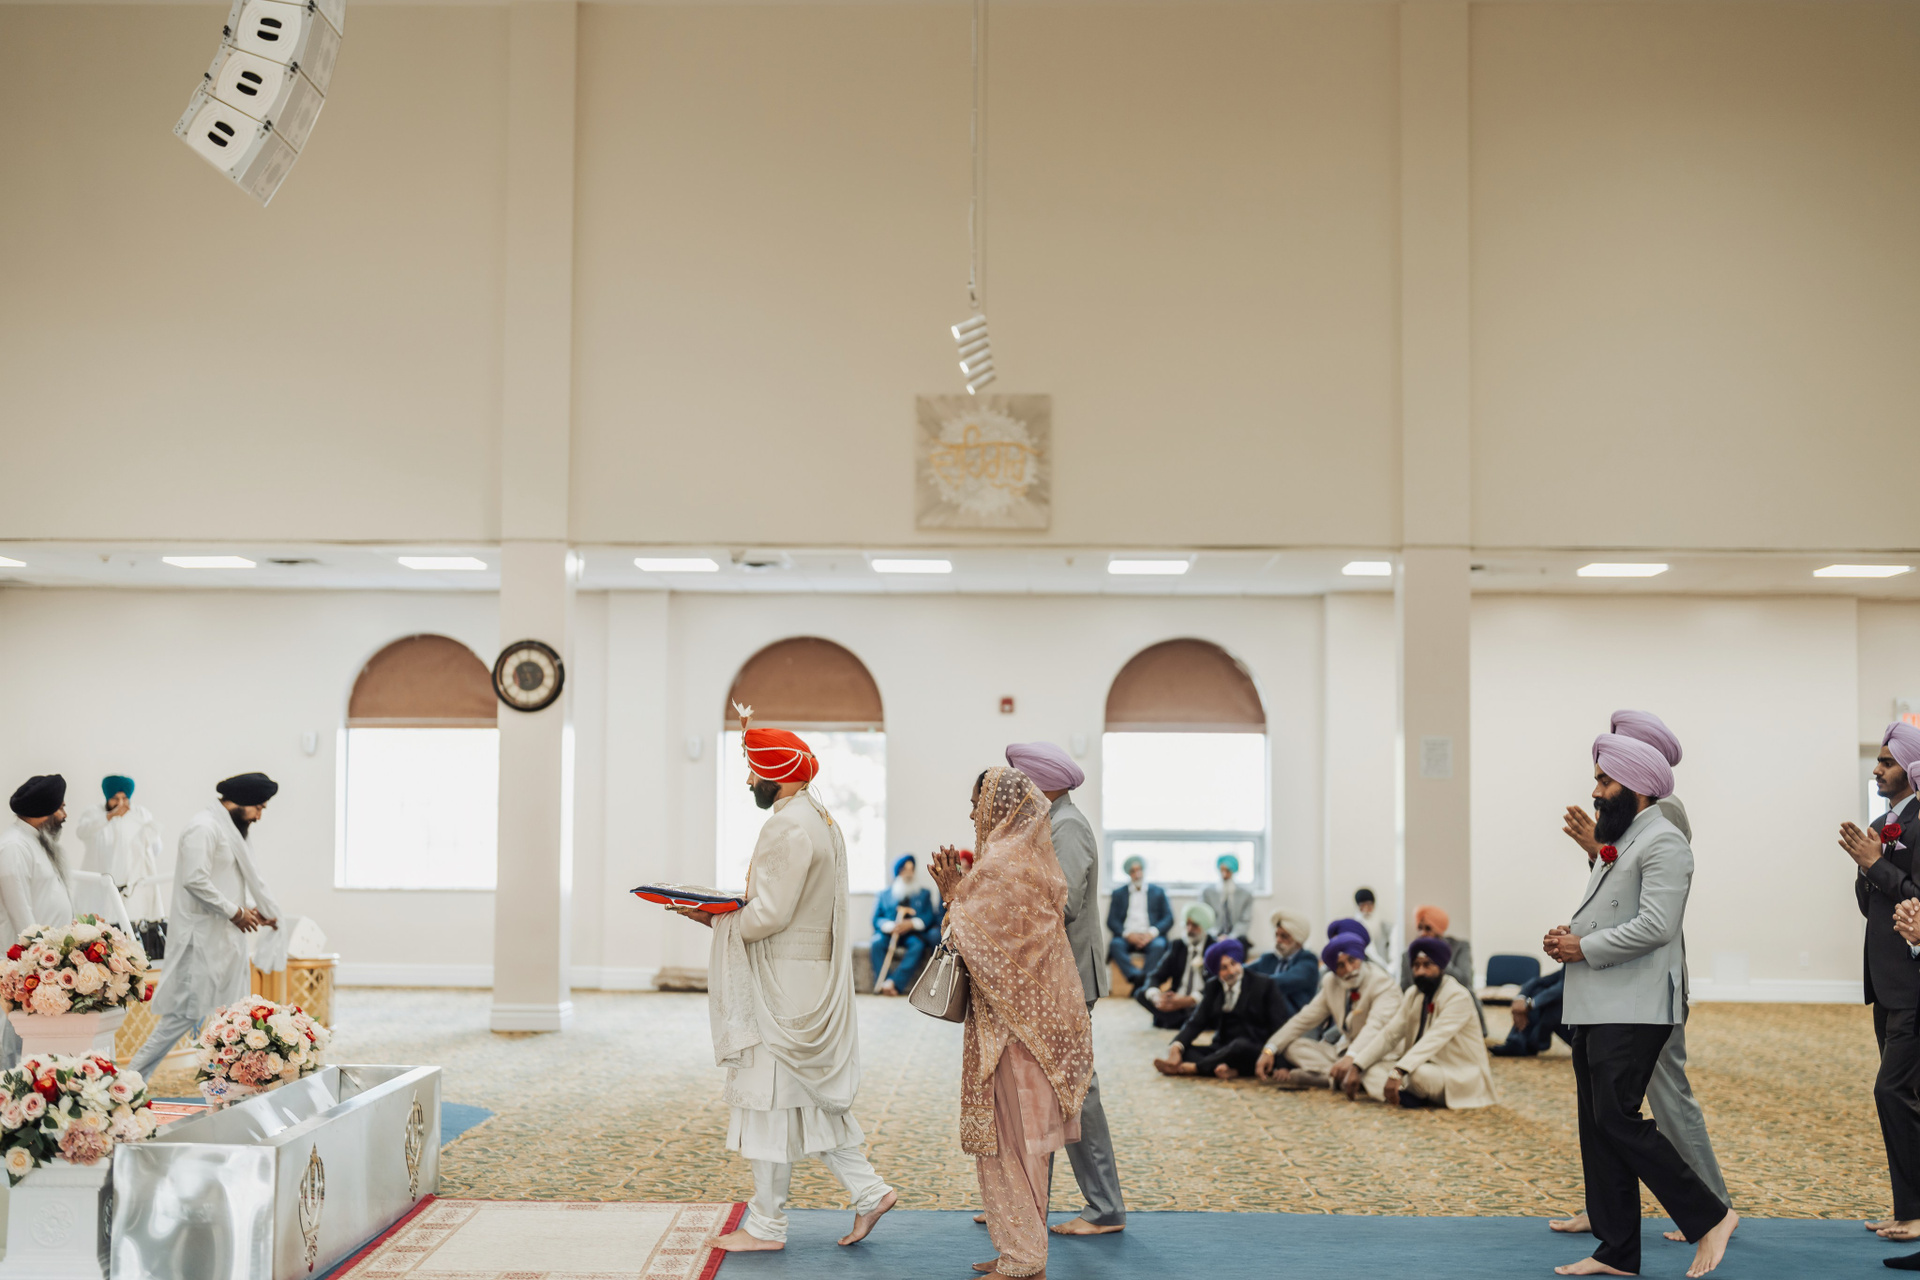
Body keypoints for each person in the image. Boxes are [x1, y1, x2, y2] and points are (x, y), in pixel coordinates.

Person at [689, 715, 896, 1254]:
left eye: (754, 772)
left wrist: (715, 919)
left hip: (779, 981)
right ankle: (870, 1192)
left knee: (766, 1100)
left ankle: (765, 1226)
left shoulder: (787, 825)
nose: (748, 782)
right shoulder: (819, 818)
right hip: (804, 977)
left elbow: (771, 914)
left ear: (776, 775)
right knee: (806, 1097)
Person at [1544, 733, 1734, 1279]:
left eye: (1605, 782)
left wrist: (1584, 946)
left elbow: (1656, 926)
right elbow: (1615, 911)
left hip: (1634, 1004)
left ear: (1638, 787)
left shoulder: (1664, 841)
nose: (1596, 792)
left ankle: (1711, 1215)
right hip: (1599, 1000)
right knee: (1598, 1125)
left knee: (1617, 1119)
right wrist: (1570, 935)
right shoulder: (1626, 838)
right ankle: (1617, 1253)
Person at [930, 766, 1093, 1279]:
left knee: (1013, 1144)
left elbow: (969, 941)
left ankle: (1024, 1258)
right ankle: (1019, 1250)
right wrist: (962, 895)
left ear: (998, 808)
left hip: (1014, 1032)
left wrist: (952, 895)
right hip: (1032, 1025)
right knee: (1023, 1147)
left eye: (976, 804)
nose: (972, 814)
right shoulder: (1030, 859)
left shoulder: (1001, 865)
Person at [1004, 740, 1125, 1237]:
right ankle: (1031, 1203)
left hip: (1068, 976)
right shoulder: (1048, 822)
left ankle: (1105, 1208)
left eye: (1021, 781)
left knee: (1075, 1090)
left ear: (1041, 783)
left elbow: (1064, 904)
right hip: (1051, 976)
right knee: (1045, 1090)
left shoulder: (1067, 826)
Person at [128, 773, 283, 1081]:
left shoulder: (229, 831)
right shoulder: (203, 828)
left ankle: (230, 1088)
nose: (259, 816)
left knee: (234, 1019)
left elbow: (225, 882)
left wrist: (249, 911)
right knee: (180, 1018)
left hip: (225, 941)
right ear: (241, 802)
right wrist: (235, 912)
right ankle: (129, 1081)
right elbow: (195, 880)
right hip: (200, 945)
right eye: (259, 808)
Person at [1841, 721, 1920, 1246]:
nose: (1877, 769)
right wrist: (1866, 866)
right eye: (1878, 760)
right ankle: (1908, 1209)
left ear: (1910, 768)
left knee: (1892, 1092)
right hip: (1885, 981)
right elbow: (1869, 904)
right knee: (1906, 1098)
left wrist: (1876, 864)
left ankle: (1914, 1212)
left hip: (1914, 981)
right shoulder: (1880, 824)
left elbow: (1916, 897)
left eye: (1887, 762)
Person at [1358, 936, 1497, 1109]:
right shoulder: (1413, 994)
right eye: (1416, 966)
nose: (1421, 972)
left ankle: (1405, 1092)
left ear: (1441, 967)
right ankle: (1405, 1095)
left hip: (1454, 1071)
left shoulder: (1457, 996)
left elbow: (1435, 1038)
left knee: (1418, 1075)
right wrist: (1357, 1065)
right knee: (1371, 1069)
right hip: (1420, 1064)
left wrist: (1399, 1070)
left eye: (1427, 965)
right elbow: (1390, 1034)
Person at [1256, 932, 1399, 1090]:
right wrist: (1269, 1050)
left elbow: (1375, 1027)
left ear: (1360, 957)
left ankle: (1337, 1076)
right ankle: (1337, 1076)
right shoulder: (1331, 983)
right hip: (1344, 1051)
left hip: (1379, 1055)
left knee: (1375, 1075)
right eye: (1340, 965)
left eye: (1352, 960)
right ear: (1334, 970)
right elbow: (1303, 1019)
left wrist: (1352, 1057)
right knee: (1292, 1047)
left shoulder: (1382, 983)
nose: (1349, 969)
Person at [1, 776, 77, 1070]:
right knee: (13, 1047)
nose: (64, 815)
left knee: (33, 1047)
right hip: (24, 966)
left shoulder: (36, 841)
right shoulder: (13, 847)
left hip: (45, 964)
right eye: (61, 807)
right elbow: (21, 916)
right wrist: (37, 960)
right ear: (45, 811)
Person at [1155, 939, 1291, 1080]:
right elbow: (1196, 1022)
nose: (1231, 971)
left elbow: (1280, 1027)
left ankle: (1197, 1068)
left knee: (1239, 1046)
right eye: (1224, 968)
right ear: (1216, 971)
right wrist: (1176, 1047)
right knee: (1187, 1051)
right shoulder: (1213, 987)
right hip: (1222, 1048)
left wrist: (1283, 1065)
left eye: (1233, 963)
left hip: (1254, 1048)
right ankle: (1230, 1070)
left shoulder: (1264, 985)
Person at [72, 774, 166, 924]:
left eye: (124, 798)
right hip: (99, 887)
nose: (120, 803)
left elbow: (155, 848)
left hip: (132, 889)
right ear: (107, 797)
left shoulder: (140, 814)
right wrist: (109, 817)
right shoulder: (93, 813)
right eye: (115, 798)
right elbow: (82, 832)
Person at [1134, 902, 1216, 1030]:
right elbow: (1156, 975)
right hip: (1176, 1001)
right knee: (1141, 993)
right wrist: (1156, 996)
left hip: (1201, 1002)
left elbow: (1216, 984)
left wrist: (1189, 1000)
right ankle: (1187, 1023)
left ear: (1204, 926)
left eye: (1194, 925)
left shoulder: (1214, 947)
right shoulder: (1177, 946)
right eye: (1187, 925)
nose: (1189, 930)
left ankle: (1174, 1021)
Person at [869, 854, 940, 995]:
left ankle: (894, 983)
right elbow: (876, 919)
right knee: (876, 942)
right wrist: (890, 926)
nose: (908, 873)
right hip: (889, 933)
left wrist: (912, 923)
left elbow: (929, 916)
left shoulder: (924, 893)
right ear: (898, 872)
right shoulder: (884, 894)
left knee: (918, 945)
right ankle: (884, 982)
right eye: (905, 869)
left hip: (912, 934)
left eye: (911, 869)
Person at [1104, 855, 1172, 990]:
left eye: (1139, 870)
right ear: (1128, 873)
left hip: (1151, 936)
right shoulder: (1118, 893)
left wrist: (1152, 933)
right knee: (1115, 945)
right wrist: (1128, 934)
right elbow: (1111, 921)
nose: (1137, 874)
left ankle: (1141, 981)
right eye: (1133, 871)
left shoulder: (1158, 892)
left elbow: (1168, 918)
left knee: (1159, 946)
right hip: (1127, 936)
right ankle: (1137, 978)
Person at [1246, 910, 1319, 1020]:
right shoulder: (1270, 958)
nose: (1278, 940)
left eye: (1284, 936)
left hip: (1296, 1018)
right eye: (1277, 935)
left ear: (1298, 940)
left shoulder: (1308, 961)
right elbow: (1243, 972)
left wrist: (1250, 983)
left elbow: (1280, 982)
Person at [1492, 966, 1568, 1057]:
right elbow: (1538, 981)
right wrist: (1520, 998)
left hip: (1579, 1030)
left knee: (1550, 1001)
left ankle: (1526, 1043)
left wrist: (1529, 1005)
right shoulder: (1570, 965)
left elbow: (1564, 987)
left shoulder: (1580, 963)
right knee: (1537, 989)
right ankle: (1518, 1042)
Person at [1200, 854, 1254, 944]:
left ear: (1233, 871)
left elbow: (1245, 920)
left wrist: (1231, 937)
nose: (1224, 874)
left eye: (1228, 870)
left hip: (1236, 937)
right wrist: (1216, 935)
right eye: (1222, 870)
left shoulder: (1246, 895)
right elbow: (1204, 918)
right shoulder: (1207, 893)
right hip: (1213, 936)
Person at [1354, 887, 1393, 966]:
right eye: (1362, 906)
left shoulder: (1385, 927)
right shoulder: (1354, 928)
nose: (1366, 910)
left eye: (1369, 905)